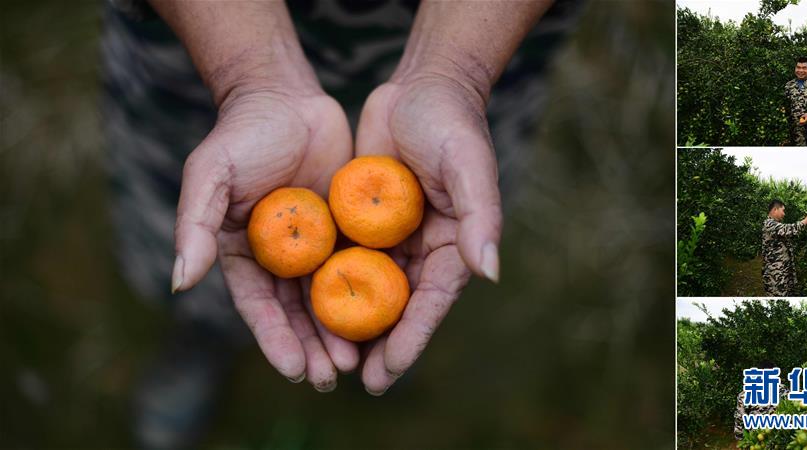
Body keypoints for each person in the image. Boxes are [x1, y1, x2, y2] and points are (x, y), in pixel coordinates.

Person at [101, 0, 581, 447]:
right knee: (210, 224)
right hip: (209, 46)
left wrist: (455, 74)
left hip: (479, 40)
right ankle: (206, 331)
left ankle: (383, 332)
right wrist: (248, 78)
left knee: (457, 207)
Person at [761, 199, 807, 296]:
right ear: (775, 210)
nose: (784, 214)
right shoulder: (769, 224)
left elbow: (790, 234)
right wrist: (805, 221)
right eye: (783, 210)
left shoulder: (776, 225)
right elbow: (787, 229)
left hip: (783, 271)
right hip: (775, 275)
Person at [734, 361, 784, 441]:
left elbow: (740, 421)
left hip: (763, 440)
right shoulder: (783, 390)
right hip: (771, 439)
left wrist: (742, 440)